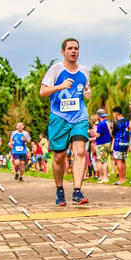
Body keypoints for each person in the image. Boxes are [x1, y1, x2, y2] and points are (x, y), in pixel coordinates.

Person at [39, 37, 90, 206]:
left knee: (80, 151)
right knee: (59, 157)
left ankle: (77, 191)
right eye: (70, 48)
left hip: (79, 117)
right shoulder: (55, 69)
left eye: (76, 48)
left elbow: (84, 90)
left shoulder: (84, 71)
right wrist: (60, 86)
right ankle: (59, 190)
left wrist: (87, 95)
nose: (74, 51)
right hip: (59, 117)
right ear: (63, 51)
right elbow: (43, 92)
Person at [111, 106, 131, 184]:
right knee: (123, 160)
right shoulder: (127, 121)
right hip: (125, 142)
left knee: (118, 160)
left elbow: (113, 134)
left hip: (118, 143)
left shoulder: (116, 123)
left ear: (116, 113)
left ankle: (121, 178)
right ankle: (124, 177)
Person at [94, 108, 112, 183]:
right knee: (104, 160)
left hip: (101, 143)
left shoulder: (101, 124)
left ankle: (104, 177)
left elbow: (98, 135)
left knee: (103, 161)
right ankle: (103, 176)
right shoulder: (108, 122)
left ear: (98, 116)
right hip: (108, 142)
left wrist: (94, 132)